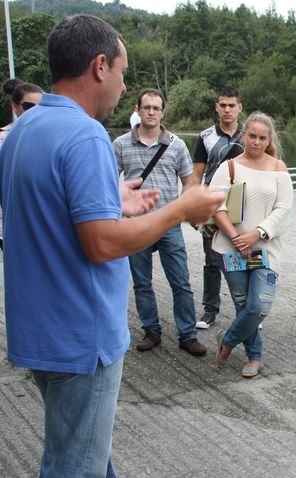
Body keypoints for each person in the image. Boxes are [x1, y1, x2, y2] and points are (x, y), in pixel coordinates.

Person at [0, 14, 222, 477]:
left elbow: (44, 208)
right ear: (100, 66)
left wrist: (110, 200)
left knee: (88, 456)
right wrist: (181, 210)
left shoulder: (23, 128)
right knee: (73, 466)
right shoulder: (86, 135)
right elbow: (101, 245)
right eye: (122, 73)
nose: (124, 88)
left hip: (40, 332)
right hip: (82, 337)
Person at [113, 88, 207, 357]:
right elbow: (107, 180)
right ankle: (151, 330)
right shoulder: (120, 144)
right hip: (135, 224)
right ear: (138, 110)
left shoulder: (176, 145)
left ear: (163, 112)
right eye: (147, 107)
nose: (151, 112)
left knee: (181, 282)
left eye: (156, 108)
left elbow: (190, 182)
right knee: (142, 282)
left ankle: (187, 334)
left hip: (168, 223)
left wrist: (190, 211)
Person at [211, 111, 293, 378]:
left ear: (269, 139)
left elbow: (283, 208)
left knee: (259, 305)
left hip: (263, 249)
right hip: (231, 248)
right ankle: (254, 356)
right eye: (252, 136)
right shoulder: (230, 167)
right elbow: (216, 206)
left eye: (262, 138)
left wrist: (256, 234)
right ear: (244, 134)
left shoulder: (279, 168)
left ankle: (228, 341)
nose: (256, 142)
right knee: (242, 302)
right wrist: (237, 238)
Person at [192, 86, 244, 330]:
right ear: (216, 107)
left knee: (243, 259)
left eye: (231, 105)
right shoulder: (205, 137)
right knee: (212, 261)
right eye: (223, 105)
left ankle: (245, 311)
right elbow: (196, 175)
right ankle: (210, 310)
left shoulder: (250, 135)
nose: (227, 109)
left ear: (239, 108)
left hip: (245, 206)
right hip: (213, 206)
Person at [0, 80, 43, 250]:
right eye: (28, 106)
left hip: (40, 225)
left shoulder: (48, 136)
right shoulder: (4, 139)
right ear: (15, 106)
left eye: (40, 107)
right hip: (11, 224)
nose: (34, 112)